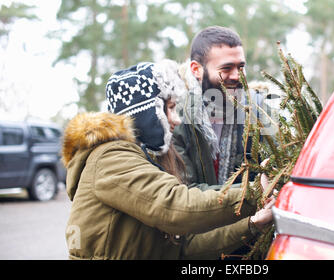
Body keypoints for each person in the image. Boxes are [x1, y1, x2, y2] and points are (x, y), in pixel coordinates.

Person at [62, 60, 274, 260]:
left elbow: (183, 247)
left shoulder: (148, 159)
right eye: (170, 108)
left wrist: (252, 224)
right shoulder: (112, 159)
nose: (176, 119)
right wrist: (253, 193)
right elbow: (175, 207)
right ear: (147, 113)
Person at [173, 26, 275, 190]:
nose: (237, 76)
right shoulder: (176, 116)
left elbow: (277, 172)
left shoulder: (260, 111)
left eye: (241, 67)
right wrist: (254, 190)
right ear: (196, 69)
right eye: (226, 68)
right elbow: (184, 191)